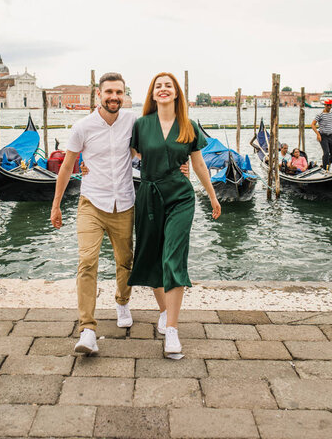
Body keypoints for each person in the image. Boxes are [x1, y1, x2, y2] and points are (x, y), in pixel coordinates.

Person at [128, 72, 221, 355]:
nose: (164, 89)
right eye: (159, 86)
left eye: (169, 85)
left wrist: (214, 197)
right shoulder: (141, 125)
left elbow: (200, 165)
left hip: (181, 197)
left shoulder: (188, 126)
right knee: (150, 258)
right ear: (153, 95)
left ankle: (172, 330)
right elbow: (128, 157)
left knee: (173, 258)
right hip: (148, 196)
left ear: (177, 93)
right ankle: (164, 311)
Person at [50, 72, 137, 355]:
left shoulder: (133, 122)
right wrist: (56, 204)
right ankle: (87, 329)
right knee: (87, 262)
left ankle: (122, 301)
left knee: (125, 261)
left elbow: (153, 147)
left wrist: (182, 165)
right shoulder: (82, 127)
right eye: (109, 92)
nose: (114, 97)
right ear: (98, 94)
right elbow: (67, 166)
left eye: (119, 93)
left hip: (124, 203)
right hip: (91, 204)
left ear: (124, 96)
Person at [312, 99, 332, 170]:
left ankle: (326, 164)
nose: (329, 107)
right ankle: (324, 168)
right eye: (327, 105)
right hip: (323, 136)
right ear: (325, 105)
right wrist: (318, 134)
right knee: (326, 153)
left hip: (331, 136)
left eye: (330, 105)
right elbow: (313, 124)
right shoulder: (320, 115)